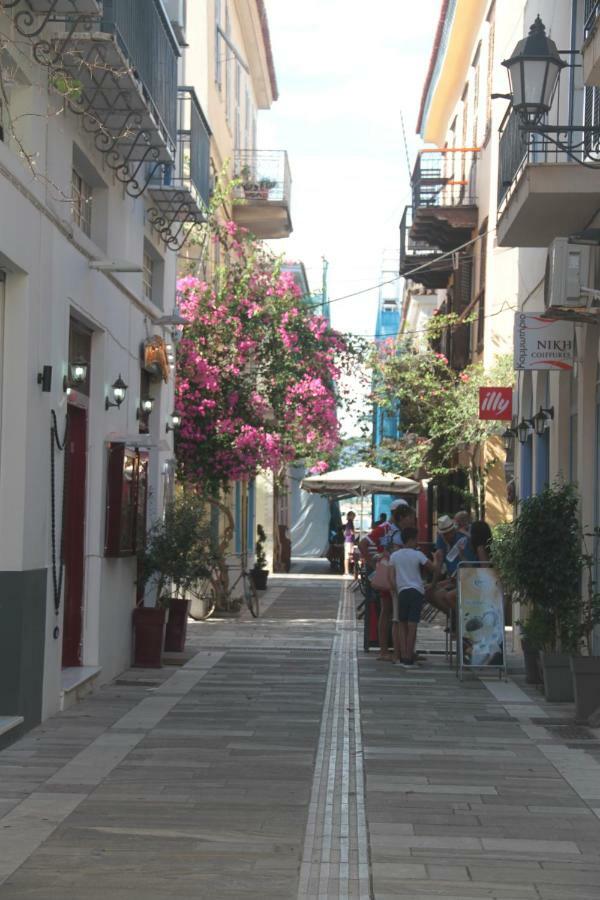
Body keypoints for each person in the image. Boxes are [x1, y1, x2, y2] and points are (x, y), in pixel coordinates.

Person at [358, 500, 416, 661]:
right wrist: (374, 565)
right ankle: (385, 650)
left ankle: (400, 649)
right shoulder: (385, 529)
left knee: (394, 612)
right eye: (409, 516)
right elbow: (363, 543)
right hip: (390, 575)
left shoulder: (400, 530)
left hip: (400, 575)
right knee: (387, 611)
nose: (412, 520)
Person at [388, 526, 435, 668]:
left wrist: (396, 590)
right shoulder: (418, 555)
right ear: (412, 539)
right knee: (412, 625)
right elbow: (432, 568)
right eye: (416, 539)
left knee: (402, 624)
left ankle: (403, 657)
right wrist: (438, 561)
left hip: (402, 592)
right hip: (417, 591)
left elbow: (391, 578)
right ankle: (409, 656)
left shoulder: (394, 556)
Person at [429, 514, 462, 614]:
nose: (446, 536)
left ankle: (456, 618)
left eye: (448, 533)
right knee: (428, 591)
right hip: (451, 578)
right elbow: (439, 562)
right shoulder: (441, 539)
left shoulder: (462, 538)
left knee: (441, 594)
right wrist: (433, 584)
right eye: (444, 534)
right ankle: (451, 616)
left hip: (462, 579)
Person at [343, 511, 356, 576]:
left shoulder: (349, 523)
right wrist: (354, 533)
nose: (354, 517)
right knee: (347, 556)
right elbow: (351, 532)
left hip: (349, 541)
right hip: (349, 541)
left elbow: (345, 532)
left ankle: (347, 571)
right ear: (350, 516)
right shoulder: (350, 523)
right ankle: (346, 572)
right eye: (353, 516)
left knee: (348, 556)